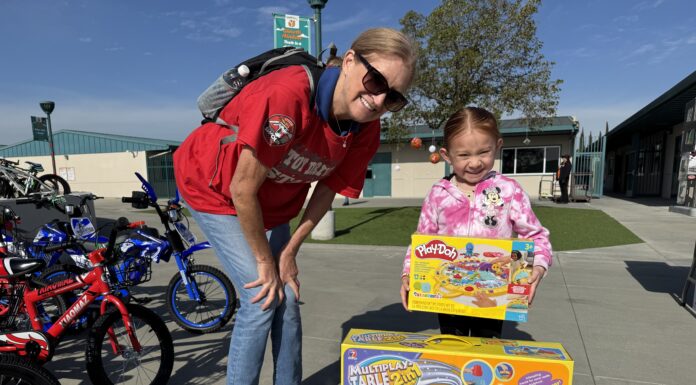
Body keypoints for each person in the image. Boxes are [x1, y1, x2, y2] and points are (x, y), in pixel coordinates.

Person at [174, 28, 416, 385]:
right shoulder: (287, 95)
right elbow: (242, 188)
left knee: (285, 297)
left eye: (393, 97)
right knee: (260, 299)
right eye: (376, 80)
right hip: (214, 188)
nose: (379, 100)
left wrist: (289, 252)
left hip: (268, 202)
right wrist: (263, 260)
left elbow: (328, 188)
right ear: (350, 61)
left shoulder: (366, 127)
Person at [399, 106, 552, 338]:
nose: (475, 162)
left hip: (494, 294)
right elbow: (422, 240)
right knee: (452, 347)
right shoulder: (438, 194)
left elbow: (535, 237)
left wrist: (537, 268)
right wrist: (408, 274)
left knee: (486, 354)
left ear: (498, 146)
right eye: (463, 155)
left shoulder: (509, 190)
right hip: (448, 293)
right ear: (447, 155)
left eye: (483, 152)